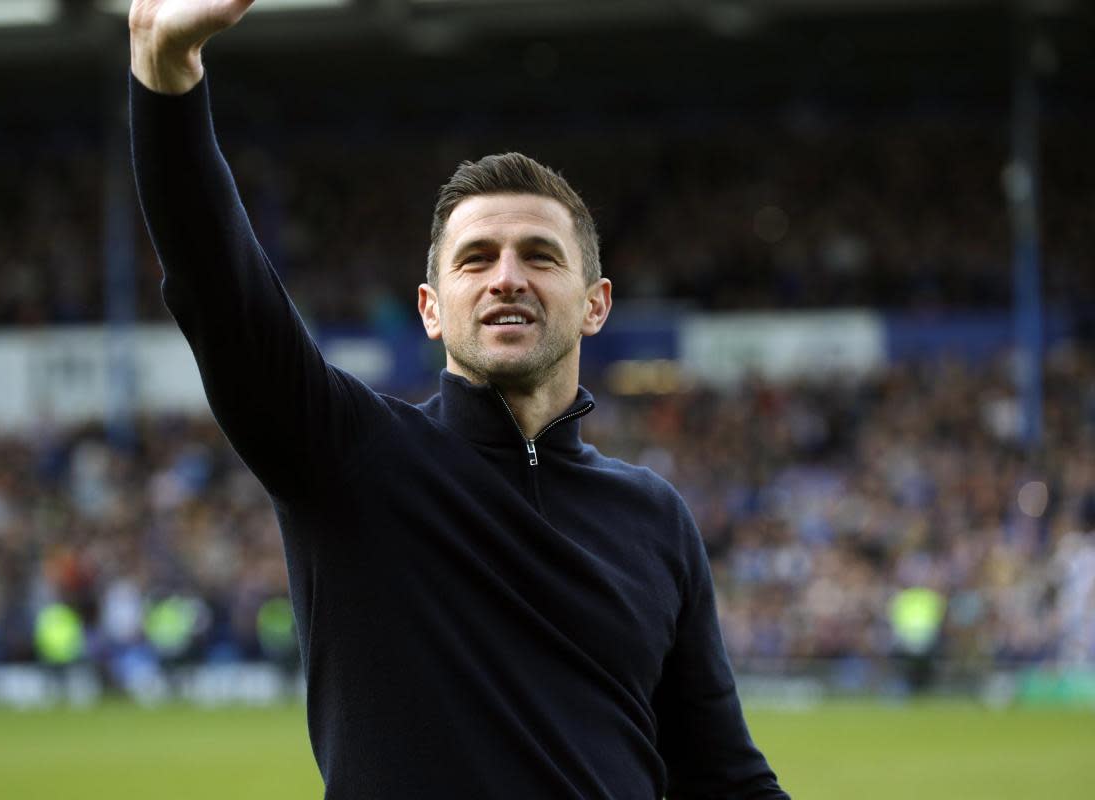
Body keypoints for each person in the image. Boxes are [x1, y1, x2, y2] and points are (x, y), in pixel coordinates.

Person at [128, 1, 788, 797]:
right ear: (432, 309)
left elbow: (723, 776)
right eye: (475, 259)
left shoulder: (654, 517)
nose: (507, 276)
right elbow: (221, 291)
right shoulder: (351, 459)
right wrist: (167, 77)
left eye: (540, 256)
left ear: (595, 303)